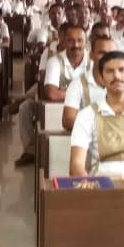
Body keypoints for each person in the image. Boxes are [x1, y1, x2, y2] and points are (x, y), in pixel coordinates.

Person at [15, 24, 89, 166]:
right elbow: (52, 93)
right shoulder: (54, 61)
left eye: (80, 40)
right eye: (71, 40)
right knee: (25, 108)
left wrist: (68, 94)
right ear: (63, 41)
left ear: (86, 42)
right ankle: (31, 150)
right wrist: (81, 94)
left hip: (80, 110)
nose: (76, 45)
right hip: (52, 107)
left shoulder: (92, 63)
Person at [62, 36, 115, 131]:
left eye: (111, 54)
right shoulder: (78, 84)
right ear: (91, 55)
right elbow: (68, 120)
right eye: (102, 53)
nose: (107, 58)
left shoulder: (123, 83)